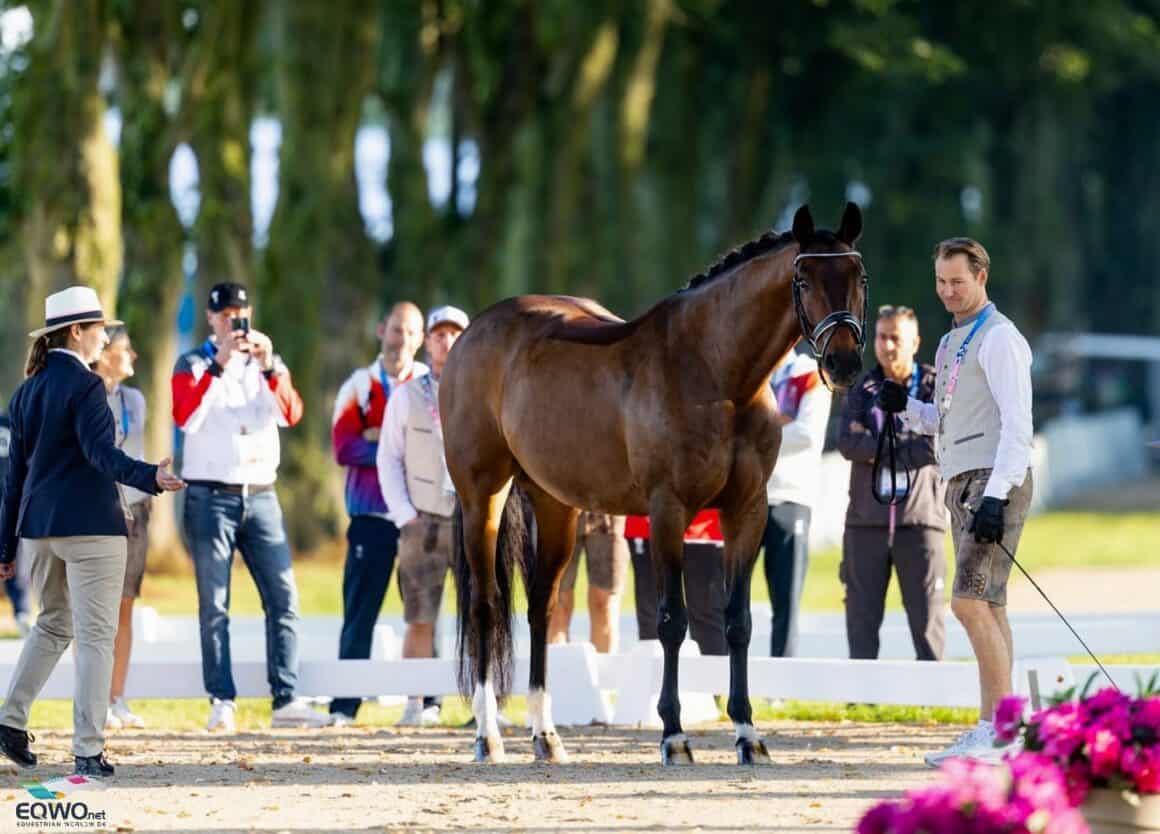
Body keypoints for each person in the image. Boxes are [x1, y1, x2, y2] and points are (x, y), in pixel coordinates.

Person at [0, 286, 183, 777]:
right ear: (77, 332)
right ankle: (87, 748)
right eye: (100, 328)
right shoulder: (87, 388)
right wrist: (152, 476)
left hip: (38, 530)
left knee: (52, 625)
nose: (106, 337)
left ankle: (11, 720)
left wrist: (4, 544)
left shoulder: (26, 391)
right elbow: (101, 455)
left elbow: (12, 477)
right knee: (97, 635)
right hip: (91, 529)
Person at [878, 238, 1034, 766]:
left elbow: (1018, 426)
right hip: (961, 479)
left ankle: (998, 728)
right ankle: (1005, 727)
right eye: (941, 282)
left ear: (982, 276)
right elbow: (946, 421)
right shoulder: (949, 344)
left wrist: (996, 497)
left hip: (993, 482)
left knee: (967, 602)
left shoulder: (1000, 338)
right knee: (989, 604)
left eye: (957, 282)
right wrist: (908, 408)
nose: (947, 292)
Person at [173, 281, 329, 732]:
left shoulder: (267, 362)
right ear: (210, 318)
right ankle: (221, 699)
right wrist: (219, 366)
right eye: (224, 315)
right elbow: (186, 417)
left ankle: (286, 698)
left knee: (284, 598)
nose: (232, 322)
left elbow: (291, 414)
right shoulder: (194, 362)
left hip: (261, 494)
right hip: (210, 496)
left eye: (239, 314)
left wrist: (269, 367)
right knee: (214, 603)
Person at [328, 302, 427, 725]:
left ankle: (427, 700)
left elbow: (436, 448)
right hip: (369, 515)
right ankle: (345, 705)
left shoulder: (428, 384)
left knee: (422, 610)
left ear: (419, 339)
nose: (400, 339)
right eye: (395, 330)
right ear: (380, 329)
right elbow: (343, 447)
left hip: (419, 516)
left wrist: (382, 439)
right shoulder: (358, 385)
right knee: (360, 611)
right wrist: (394, 448)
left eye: (410, 332)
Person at [837, 305, 947, 662]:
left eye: (895, 338)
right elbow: (848, 444)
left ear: (915, 343)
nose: (886, 346)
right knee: (860, 619)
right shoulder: (861, 388)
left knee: (927, 618)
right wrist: (904, 441)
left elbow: (934, 445)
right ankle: (861, 701)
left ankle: (935, 701)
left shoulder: (933, 385)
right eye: (881, 337)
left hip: (920, 521)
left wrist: (879, 442)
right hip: (865, 522)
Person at [379, 304, 470, 726]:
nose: (446, 341)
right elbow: (388, 458)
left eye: (455, 333)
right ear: (428, 340)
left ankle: (482, 705)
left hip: (470, 521)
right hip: (423, 522)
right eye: (439, 334)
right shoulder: (406, 396)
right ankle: (416, 704)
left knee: (480, 617)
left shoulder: (481, 393)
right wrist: (405, 515)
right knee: (419, 616)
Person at [93, 327, 153, 729]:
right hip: (95, 513)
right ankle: (95, 699)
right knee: (94, 611)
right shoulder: (84, 398)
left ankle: (117, 698)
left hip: (134, 510)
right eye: (123, 347)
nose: (132, 352)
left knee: (125, 605)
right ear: (103, 355)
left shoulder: (135, 400)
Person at [763, 348, 831, 657]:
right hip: (748, 499)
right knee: (728, 596)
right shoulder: (753, 370)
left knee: (785, 600)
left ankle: (780, 683)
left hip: (791, 497)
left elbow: (807, 434)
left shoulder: (809, 372)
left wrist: (755, 432)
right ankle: (729, 680)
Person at [627, 510, 727, 657]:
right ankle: (656, 678)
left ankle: (714, 678)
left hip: (703, 527)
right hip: (647, 524)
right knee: (653, 616)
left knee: (706, 614)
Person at [548, 512, 630, 653]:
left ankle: (602, 673)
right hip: (560, 503)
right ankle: (559, 671)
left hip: (606, 504)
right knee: (556, 608)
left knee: (604, 605)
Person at [0, 409, 32, 636]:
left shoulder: (13, 422)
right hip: (12, 498)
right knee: (15, 558)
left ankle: (22, 611)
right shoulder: (13, 422)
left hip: (12, 499)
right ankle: (21, 610)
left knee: (15, 558)